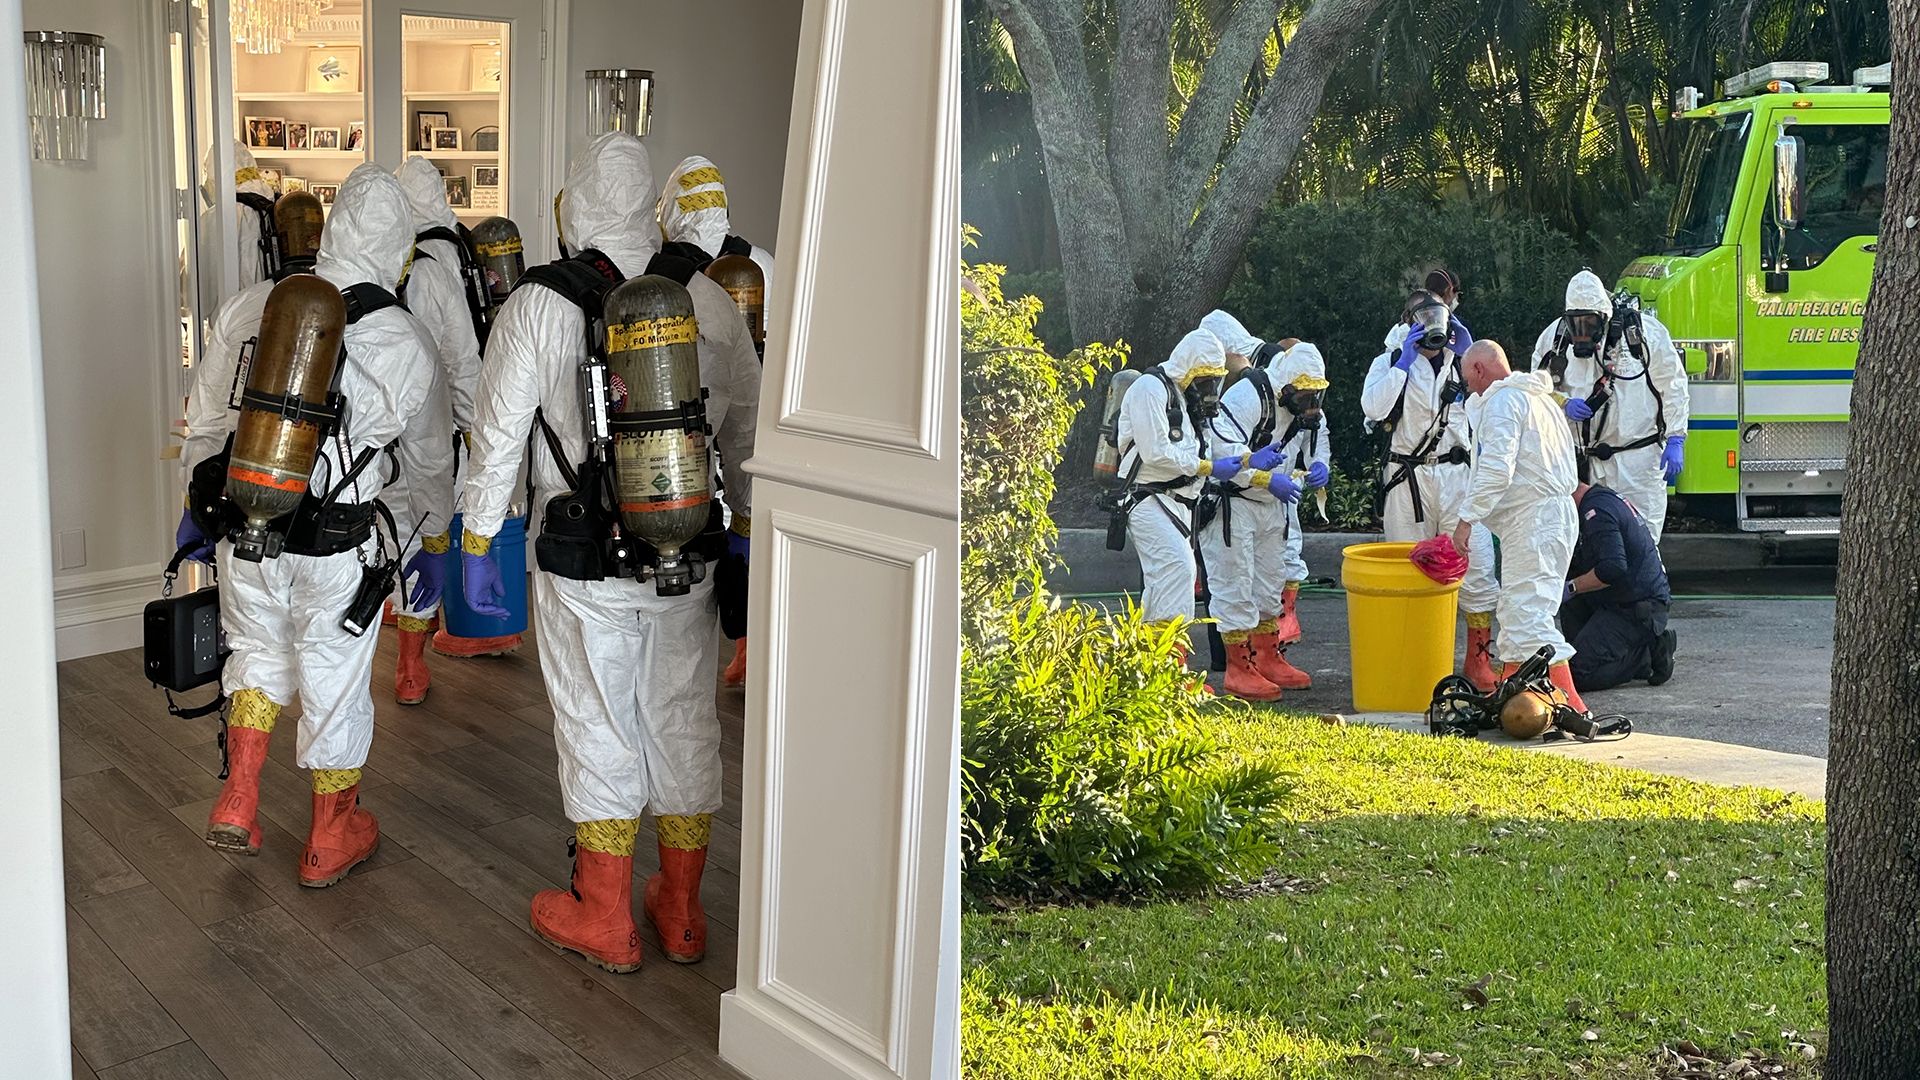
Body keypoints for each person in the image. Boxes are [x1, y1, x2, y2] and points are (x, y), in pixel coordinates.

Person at [458, 132, 760, 972]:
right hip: (686, 549)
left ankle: (603, 915)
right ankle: (683, 912)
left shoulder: (536, 304)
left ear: (576, 205)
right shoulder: (710, 303)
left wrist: (478, 538)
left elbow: (495, 442)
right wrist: (746, 532)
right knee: (682, 717)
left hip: (580, 558)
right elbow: (746, 440)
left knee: (597, 720)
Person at [179, 163, 455, 884]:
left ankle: (239, 798)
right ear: (398, 246)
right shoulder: (406, 337)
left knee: (256, 656)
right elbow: (427, 463)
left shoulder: (252, 307)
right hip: (338, 544)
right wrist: (430, 540)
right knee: (333, 677)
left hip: (246, 526)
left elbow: (206, 423)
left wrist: (194, 513)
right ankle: (330, 838)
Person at [656, 154, 776, 688]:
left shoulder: (662, 273)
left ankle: (733, 648)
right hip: (753, 423)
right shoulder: (762, 264)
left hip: (686, 434)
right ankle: (750, 647)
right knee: (747, 538)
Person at [1118, 328, 1289, 687]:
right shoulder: (1150, 391)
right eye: (1206, 381)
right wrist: (1209, 469)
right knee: (1177, 572)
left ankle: (1154, 672)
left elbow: (1210, 448)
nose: (1211, 390)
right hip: (1149, 498)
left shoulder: (1187, 398)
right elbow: (1157, 453)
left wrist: (1248, 459)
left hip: (1181, 503)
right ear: (1188, 369)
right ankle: (1168, 673)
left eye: (1215, 381)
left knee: (1168, 584)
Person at [1360, 290, 1499, 690]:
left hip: (1457, 476)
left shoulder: (1462, 361)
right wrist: (1402, 362)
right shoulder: (1388, 362)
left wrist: (1468, 349)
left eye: (1437, 317)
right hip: (1408, 480)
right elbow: (1374, 409)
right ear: (1409, 323)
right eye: (1422, 319)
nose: (1431, 327)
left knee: (1477, 565)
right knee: (1409, 565)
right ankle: (1414, 660)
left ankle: (1478, 660)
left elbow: (1492, 404)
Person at [386, 156, 485, 704]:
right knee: (425, 536)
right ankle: (410, 667)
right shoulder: (453, 259)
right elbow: (462, 359)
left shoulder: (349, 273)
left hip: (360, 444)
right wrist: (474, 432)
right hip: (431, 432)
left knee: (376, 542)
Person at [1451, 340, 1585, 713]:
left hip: (1534, 519)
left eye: (1467, 378)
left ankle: (1569, 704)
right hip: (1548, 517)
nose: (1468, 388)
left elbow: (1496, 469)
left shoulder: (1503, 402)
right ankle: (1513, 691)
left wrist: (1467, 520)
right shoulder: (1540, 400)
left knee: (1528, 611)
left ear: (1478, 370)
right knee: (1517, 609)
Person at [1529, 270, 1689, 543]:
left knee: (1642, 541)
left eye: (1589, 323)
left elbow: (1673, 384)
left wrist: (1676, 436)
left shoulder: (1642, 334)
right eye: (1575, 322)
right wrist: (1563, 404)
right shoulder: (1554, 339)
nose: (1582, 331)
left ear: (1604, 316)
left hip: (1636, 460)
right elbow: (1536, 388)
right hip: (1582, 463)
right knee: (1590, 544)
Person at [1562, 481, 1678, 691]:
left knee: (1575, 674)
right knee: (1569, 651)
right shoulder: (1599, 499)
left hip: (1636, 607)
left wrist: (1571, 588)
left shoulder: (1596, 511)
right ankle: (1623, 653)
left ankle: (1648, 654)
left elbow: (1612, 568)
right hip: (1617, 599)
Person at [196, 140, 278, 311]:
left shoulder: (217, 218)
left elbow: (194, 297)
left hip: (232, 327)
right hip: (278, 323)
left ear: (213, 177)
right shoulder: (278, 206)